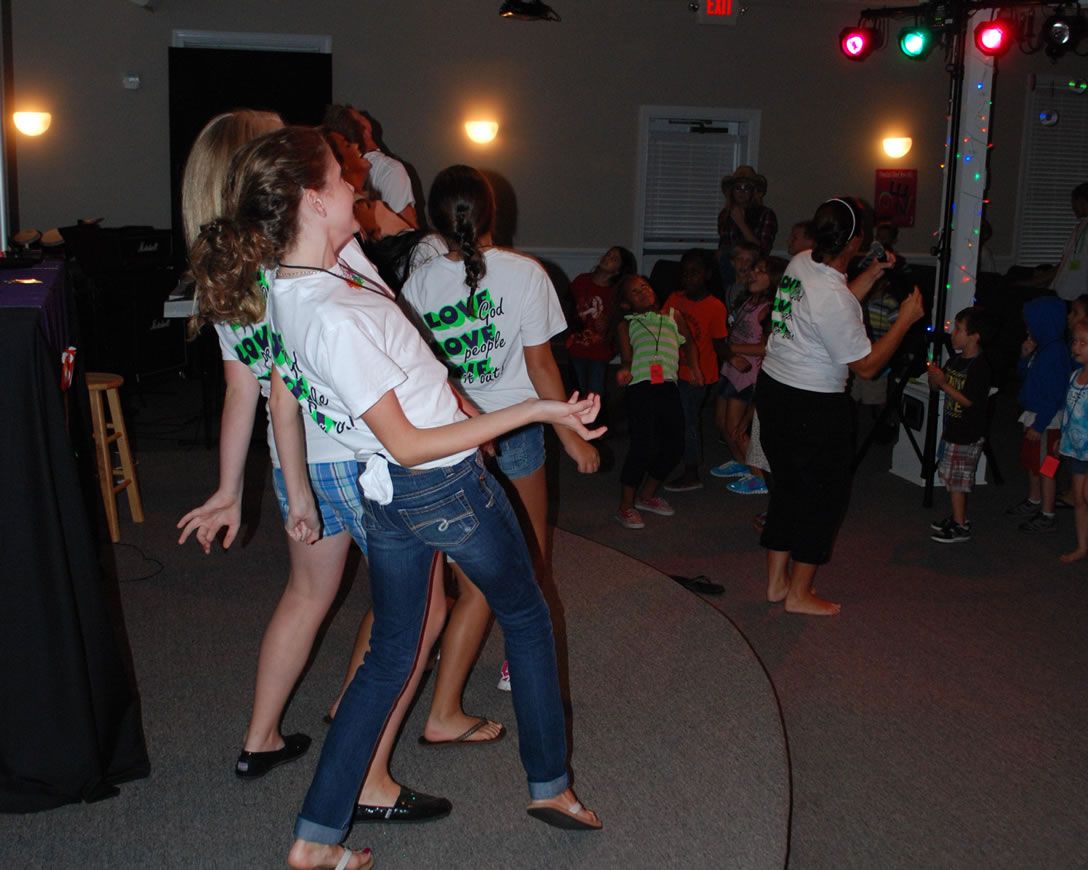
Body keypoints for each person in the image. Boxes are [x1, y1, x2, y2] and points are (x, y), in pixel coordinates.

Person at [187, 126, 603, 868]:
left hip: (389, 495)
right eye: (343, 181)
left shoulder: (291, 285)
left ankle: (316, 842)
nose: (358, 189)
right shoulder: (336, 313)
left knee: (388, 656)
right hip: (435, 483)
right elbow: (411, 441)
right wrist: (542, 412)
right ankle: (551, 786)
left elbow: (286, 393)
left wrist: (298, 491)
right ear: (313, 200)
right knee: (528, 614)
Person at [176, 111, 452, 825]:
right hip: (364, 447)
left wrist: (232, 488)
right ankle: (370, 774)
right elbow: (385, 331)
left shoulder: (230, 267)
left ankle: (262, 738)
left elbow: (249, 387)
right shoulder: (314, 240)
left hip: (299, 457)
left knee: (308, 596)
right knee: (418, 612)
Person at [402, 163, 601, 691]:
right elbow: (541, 367)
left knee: (468, 570)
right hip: (516, 433)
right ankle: (518, 661)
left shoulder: (418, 285)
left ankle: (452, 656)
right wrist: (570, 434)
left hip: (455, 440)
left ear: (434, 220)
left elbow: (426, 376)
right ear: (493, 212)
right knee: (530, 558)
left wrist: (470, 420)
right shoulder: (527, 273)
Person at [756, 197, 924, 616]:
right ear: (852, 241)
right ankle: (798, 594)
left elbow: (830, 304)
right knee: (822, 496)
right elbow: (866, 366)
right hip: (813, 405)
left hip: (775, 390)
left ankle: (777, 583)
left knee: (788, 486)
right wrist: (905, 319)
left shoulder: (800, 263)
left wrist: (873, 271)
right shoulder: (833, 296)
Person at [614, 274, 701, 528]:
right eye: (634, 292)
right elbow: (627, 358)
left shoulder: (673, 316)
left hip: (668, 386)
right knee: (643, 445)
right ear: (625, 304)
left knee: (675, 445)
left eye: (645, 286)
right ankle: (625, 506)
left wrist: (694, 368)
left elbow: (690, 345)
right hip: (641, 386)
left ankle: (647, 496)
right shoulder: (626, 324)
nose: (642, 291)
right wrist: (624, 370)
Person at [711, 255, 781, 496]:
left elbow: (766, 346)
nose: (752, 274)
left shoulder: (769, 309)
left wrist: (732, 349)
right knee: (721, 422)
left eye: (760, 271)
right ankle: (741, 463)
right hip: (731, 368)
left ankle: (759, 476)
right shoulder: (749, 301)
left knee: (737, 428)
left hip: (748, 373)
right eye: (753, 269)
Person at [1006, 295, 1074, 533]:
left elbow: (1056, 394)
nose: (1028, 327)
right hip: (1033, 414)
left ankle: (1047, 512)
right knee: (1032, 463)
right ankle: (1034, 500)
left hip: (1046, 420)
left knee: (1046, 468)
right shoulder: (1041, 347)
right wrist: (1025, 357)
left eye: (1031, 322)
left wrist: (1040, 424)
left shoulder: (1055, 352)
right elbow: (1025, 376)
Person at [662, 249, 728, 492]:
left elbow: (719, 342)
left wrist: (733, 361)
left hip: (698, 375)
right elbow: (662, 329)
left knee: (688, 420)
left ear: (707, 275)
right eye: (685, 273)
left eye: (695, 273)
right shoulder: (675, 299)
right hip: (672, 368)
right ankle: (676, 457)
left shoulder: (715, 306)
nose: (688, 278)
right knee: (676, 417)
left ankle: (691, 471)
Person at [927, 307, 994, 543]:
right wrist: (935, 378)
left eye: (958, 329)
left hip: (967, 433)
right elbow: (938, 386)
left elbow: (970, 402)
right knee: (950, 476)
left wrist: (943, 384)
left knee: (957, 480)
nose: (953, 334)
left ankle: (960, 525)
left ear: (975, 335)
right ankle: (957, 517)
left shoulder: (979, 367)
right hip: (953, 429)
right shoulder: (956, 360)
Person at [322, 104, 418, 228]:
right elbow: (409, 231)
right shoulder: (390, 170)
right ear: (364, 128)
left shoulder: (341, 175)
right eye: (360, 115)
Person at [565, 245, 637, 401]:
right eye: (608, 254)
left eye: (614, 258)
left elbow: (620, 324)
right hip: (576, 346)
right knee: (576, 389)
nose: (608, 258)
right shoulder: (582, 280)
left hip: (599, 351)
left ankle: (594, 420)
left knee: (595, 392)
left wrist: (607, 325)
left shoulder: (614, 294)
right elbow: (568, 306)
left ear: (618, 270)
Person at [1059, 317, 1088, 562]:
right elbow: (1068, 410)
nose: (1076, 347)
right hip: (1077, 449)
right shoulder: (1075, 376)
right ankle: (1082, 545)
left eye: (1083, 343)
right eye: (1075, 341)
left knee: (1086, 494)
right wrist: (1063, 435)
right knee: (1078, 497)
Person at [1048, 181, 1088, 302]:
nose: (1073, 207)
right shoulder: (1080, 227)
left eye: (1074, 202)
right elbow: (1065, 263)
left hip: (1078, 296)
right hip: (1062, 291)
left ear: (1082, 201)